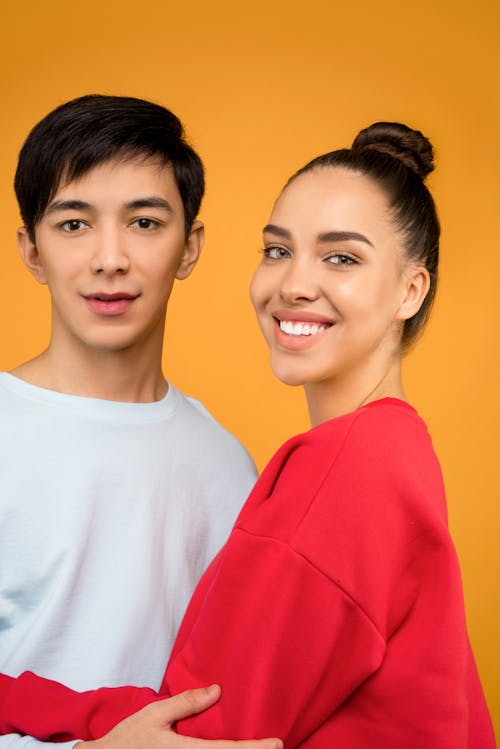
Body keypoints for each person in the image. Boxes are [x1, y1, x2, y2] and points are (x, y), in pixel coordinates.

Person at [0, 122, 495, 748]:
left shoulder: (333, 468)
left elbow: (201, 734)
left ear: (410, 289)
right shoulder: (386, 452)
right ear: (31, 248)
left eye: (341, 257)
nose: (293, 284)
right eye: (278, 250)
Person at [0, 94, 282, 749]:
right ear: (32, 251)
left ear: (190, 247)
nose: (110, 259)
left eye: (145, 222)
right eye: (73, 224)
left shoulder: (226, 463)